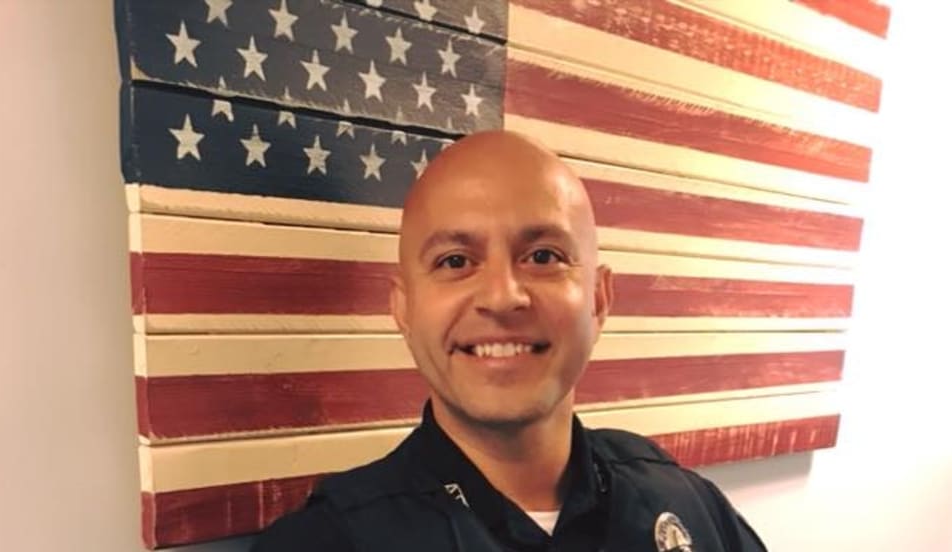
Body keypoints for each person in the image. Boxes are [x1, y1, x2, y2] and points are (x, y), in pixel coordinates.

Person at [252, 131, 767, 551]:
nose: (502, 297)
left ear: (598, 299)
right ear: (404, 310)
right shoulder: (328, 542)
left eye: (543, 256)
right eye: (455, 261)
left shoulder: (692, 509)